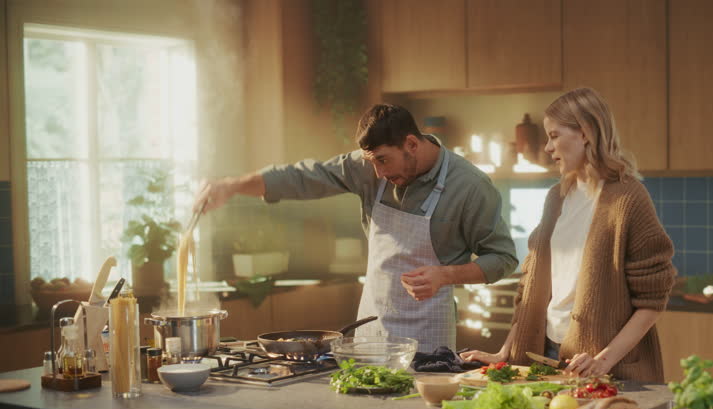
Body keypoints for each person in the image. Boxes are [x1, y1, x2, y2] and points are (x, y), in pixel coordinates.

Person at [194, 104, 518, 352]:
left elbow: (503, 257)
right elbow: (304, 177)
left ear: (411, 144)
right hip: (370, 334)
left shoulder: (470, 186)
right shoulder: (368, 168)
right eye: (371, 162)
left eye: (383, 160)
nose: (376, 173)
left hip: (428, 342)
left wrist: (447, 275)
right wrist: (232, 186)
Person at [460, 87, 676, 383]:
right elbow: (531, 289)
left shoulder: (628, 199)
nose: (548, 147)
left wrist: (602, 361)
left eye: (554, 135)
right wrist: (504, 353)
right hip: (544, 356)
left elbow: (652, 301)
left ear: (585, 133)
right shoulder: (556, 198)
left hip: (604, 366)